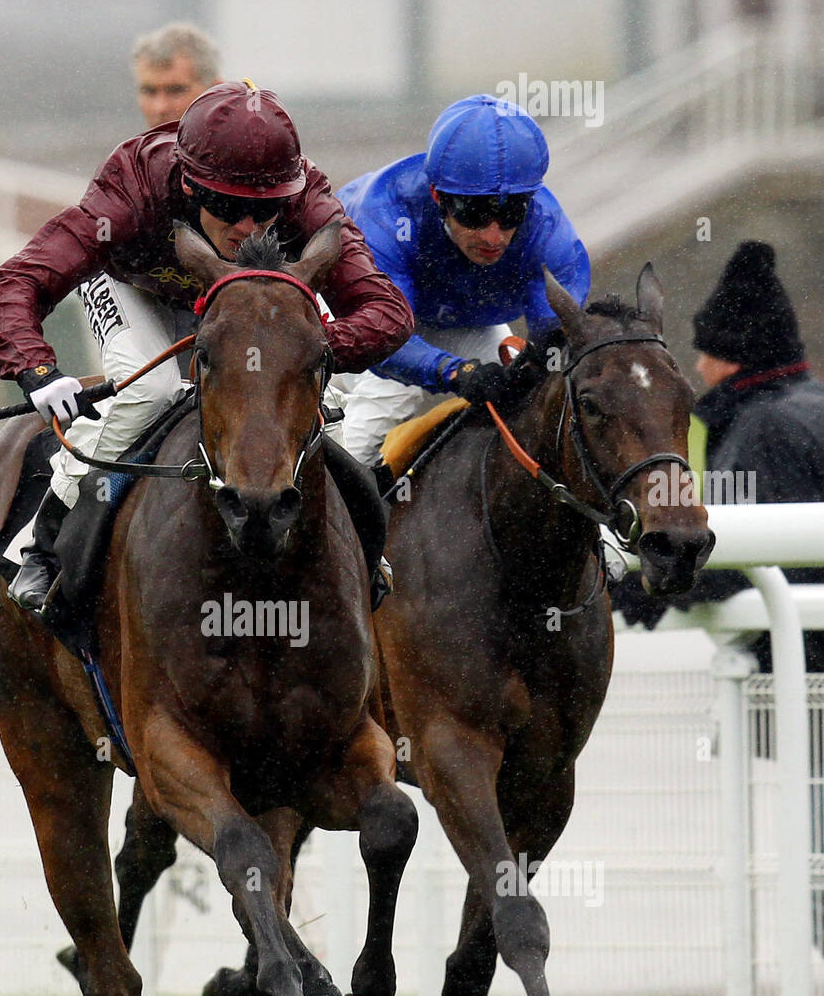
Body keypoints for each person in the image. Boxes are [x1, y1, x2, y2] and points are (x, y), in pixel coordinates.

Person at [0, 80, 414, 610]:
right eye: (228, 207)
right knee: (153, 392)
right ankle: (45, 542)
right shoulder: (128, 193)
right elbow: (18, 281)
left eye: (268, 210)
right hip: (138, 288)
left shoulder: (311, 204)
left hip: (253, 308)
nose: (247, 225)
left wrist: (304, 352)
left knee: (331, 414)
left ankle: (364, 554)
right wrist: (36, 369)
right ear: (189, 188)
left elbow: (387, 312)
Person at [333, 94, 590, 479]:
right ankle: (338, 499)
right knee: (390, 397)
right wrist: (456, 372)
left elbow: (557, 343)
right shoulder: (384, 214)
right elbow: (382, 338)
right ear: (438, 196)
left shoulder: (548, 231)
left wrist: (537, 363)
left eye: (510, 214)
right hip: (355, 314)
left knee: (527, 401)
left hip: (455, 317)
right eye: (474, 213)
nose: (493, 236)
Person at [610, 240, 824, 671]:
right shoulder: (810, 404)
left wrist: (648, 584)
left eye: (704, 351)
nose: (699, 366)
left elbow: (754, 550)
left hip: (804, 668)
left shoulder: (764, 427)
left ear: (727, 360)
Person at [132, 23, 222, 129]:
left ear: (216, 92)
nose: (160, 108)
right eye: (149, 91)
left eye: (176, 91)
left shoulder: (242, 143)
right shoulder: (130, 145)